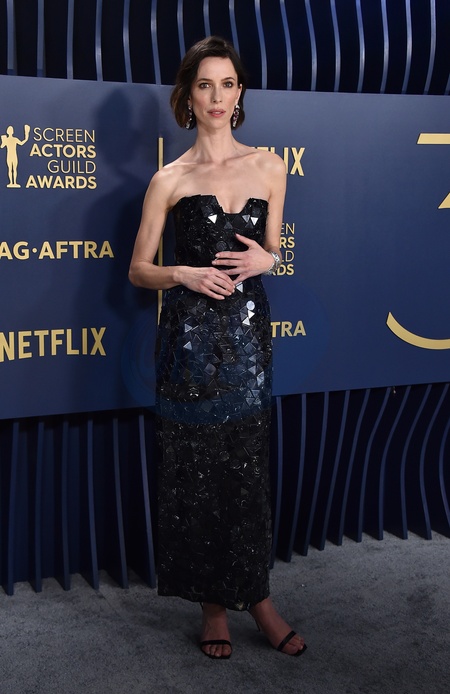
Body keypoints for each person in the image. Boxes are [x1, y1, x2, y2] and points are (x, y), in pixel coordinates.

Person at [129, 35, 306, 660]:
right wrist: (181, 273)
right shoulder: (169, 179)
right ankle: (212, 609)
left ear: (239, 94)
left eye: (227, 84)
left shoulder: (270, 166)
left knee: (246, 470)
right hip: (189, 344)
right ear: (188, 95)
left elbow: (274, 252)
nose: (217, 97)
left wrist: (267, 260)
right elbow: (138, 270)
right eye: (205, 85)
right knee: (195, 472)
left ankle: (258, 598)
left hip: (249, 341)